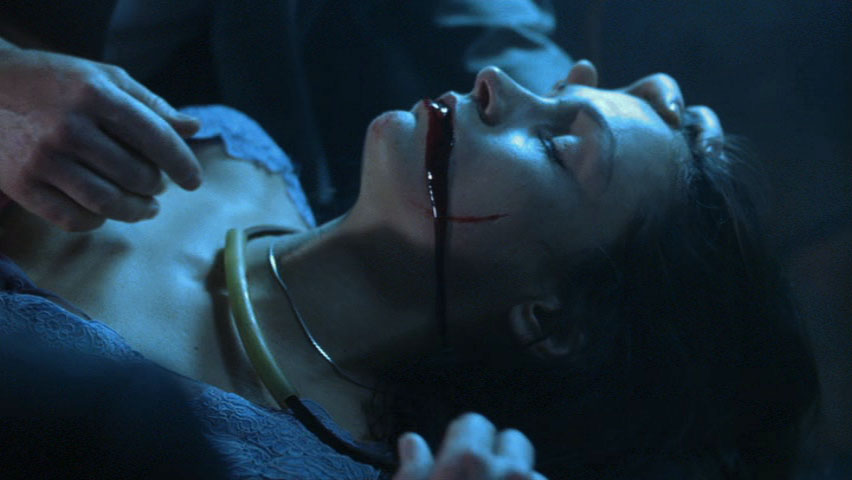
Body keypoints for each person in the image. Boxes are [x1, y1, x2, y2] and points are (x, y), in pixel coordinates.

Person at [0, 60, 817, 479]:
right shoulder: (221, 150)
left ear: (550, 319)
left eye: (556, 145)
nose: (495, 84)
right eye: (546, 91)